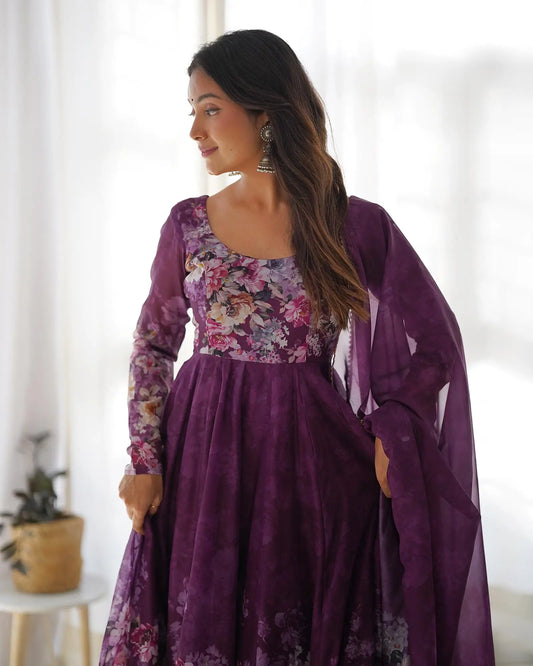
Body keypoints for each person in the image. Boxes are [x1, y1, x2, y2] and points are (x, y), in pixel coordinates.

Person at [99, 29, 494, 666]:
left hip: (315, 468)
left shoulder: (351, 224)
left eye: (210, 109)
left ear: (265, 112)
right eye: (192, 111)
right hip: (202, 463)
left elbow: (437, 341)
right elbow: (154, 343)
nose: (196, 131)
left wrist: (396, 426)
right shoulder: (188, 224)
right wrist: (143, 459)